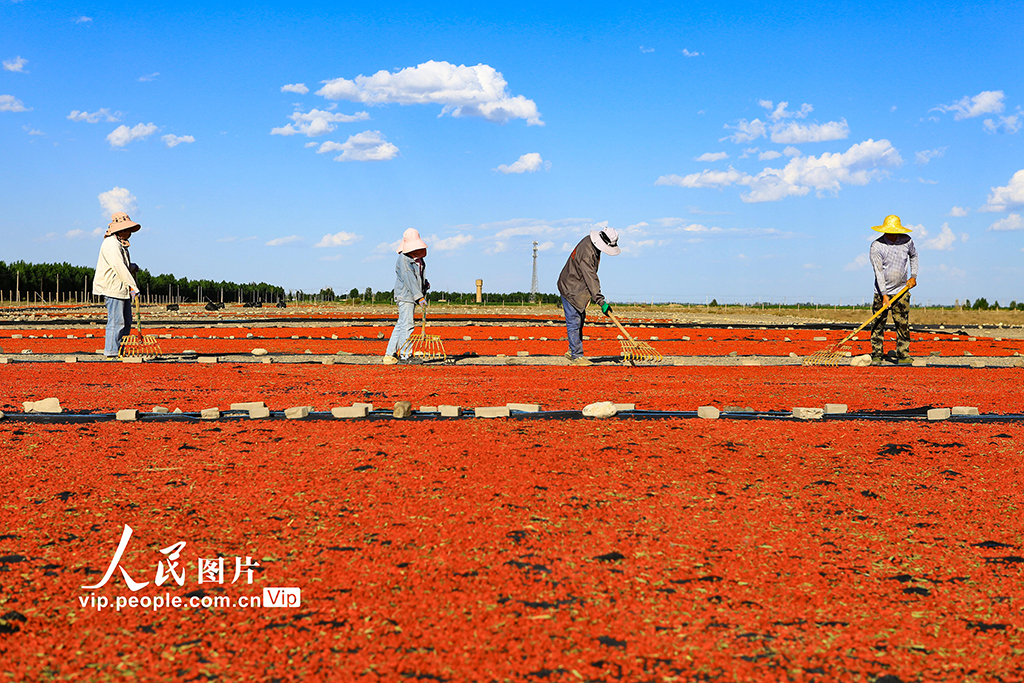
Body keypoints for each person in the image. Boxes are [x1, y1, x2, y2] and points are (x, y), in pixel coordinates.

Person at [556, 226, 620, 366]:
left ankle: (572, 349)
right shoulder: (587, 252)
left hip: (576, 285)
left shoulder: (591, 244)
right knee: (574, 320)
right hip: (570, 286)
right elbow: (590, 277)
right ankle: (577, 356)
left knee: (580, 318)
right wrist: (600, 300)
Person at [868, 214, 918, 365]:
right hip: (881, 292)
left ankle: (903, 354)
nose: (893, 234)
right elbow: (878, 272)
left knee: (902, 323)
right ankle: (877, 354)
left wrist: (913, 276)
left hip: (902, 291)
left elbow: (914, 256)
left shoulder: (907, 241)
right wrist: (884, 295)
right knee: (878, 323)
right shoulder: (876, 246)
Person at [93, 212, 142, 358]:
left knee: (126, 321)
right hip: (113, 288)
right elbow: (118, 266)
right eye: (127, 230)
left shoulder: (119, 244)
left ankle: (120, 349)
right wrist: (133, 286)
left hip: (121, 288)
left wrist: (132, 266)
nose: (129, 233)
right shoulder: (112, 244)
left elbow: (123, 265)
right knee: (116, 321)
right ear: (119, 230)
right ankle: (112, 351)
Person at [383, 229, 429, 365]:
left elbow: (417, 277)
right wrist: (419, 297)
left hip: (409, 296)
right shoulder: (404, 260)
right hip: (405, 296)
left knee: (401, 324)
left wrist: (424, 284)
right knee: (407, 325)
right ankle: (405, 355)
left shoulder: (416, 259)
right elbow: (409, 279)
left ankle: (389, 354)